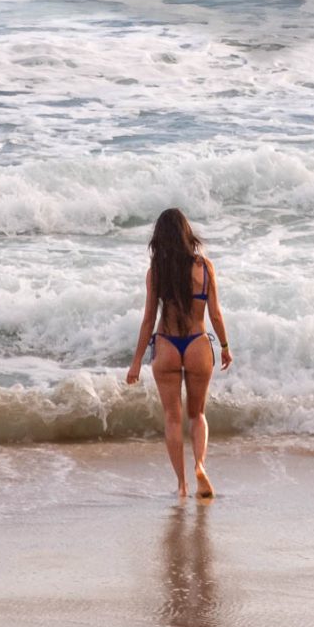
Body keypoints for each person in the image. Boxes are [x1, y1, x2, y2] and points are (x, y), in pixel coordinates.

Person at [126, 207, 232, 498]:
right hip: (197, 344)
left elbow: (148, 320)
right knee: (197, 415)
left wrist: (135, 363)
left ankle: (182, 485)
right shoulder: (205, 268)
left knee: (173, 418)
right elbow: (216, 315)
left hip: (168, 346)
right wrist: (224, 346)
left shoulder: (156, 272)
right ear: (188, 234)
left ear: (159, 238)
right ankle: (200, 464)